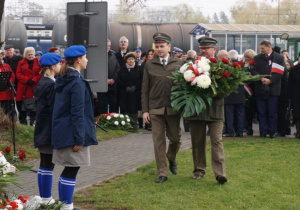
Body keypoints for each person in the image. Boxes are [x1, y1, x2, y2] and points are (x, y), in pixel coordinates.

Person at [52, 45, 98, 210]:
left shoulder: (65, 78)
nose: (87, 59)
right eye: (85, 57)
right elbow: (77, 112)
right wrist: (80, 138)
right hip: (72, 133)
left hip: (64, 131)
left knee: (69, 169)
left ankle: (65, 205)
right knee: (71, 170)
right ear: (78, 60)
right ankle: (66, 206)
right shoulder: (76, 82)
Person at [142, 32, 183, 183]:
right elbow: (145, 89)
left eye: (162, 46)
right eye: (157, 46)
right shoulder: (149, 64)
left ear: (168, 46)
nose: (159, 49)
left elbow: (183, 86)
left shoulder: (178, 63)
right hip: (155, 108)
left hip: (173, 108)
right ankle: (162, 172)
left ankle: (171, 157)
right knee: (158, 141)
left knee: (176, 139)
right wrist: (145, 110)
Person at [186, 36, 227, 184]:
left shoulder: (221, 66)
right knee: (197, 142)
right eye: (201, 48)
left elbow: (227, 88)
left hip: (215, 110)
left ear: (214, 50)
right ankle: (199, 170)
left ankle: (220, 173)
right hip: (197, 110)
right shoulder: (192, 66)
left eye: (206, 48)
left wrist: (217, 93)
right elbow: (185, 86)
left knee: (216, 141)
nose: (203, 51)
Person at [33, 53, 62, 205]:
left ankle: (45, 197)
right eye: (58, 64)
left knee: (44, 164)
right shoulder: (51, 84)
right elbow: (53, 109)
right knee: (48, 164)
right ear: (52, 67)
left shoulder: (42, 82)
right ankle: (46, 198)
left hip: (41, 127)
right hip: (49, 128)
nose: (60, 66)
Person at [250, 40, 285, 138]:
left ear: (269, 46)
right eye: (260, 48)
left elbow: (280, 72)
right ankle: (263, 132)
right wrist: (260, 78)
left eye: (262, 48)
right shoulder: (256, 58)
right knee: (262, 112)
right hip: (260, 89)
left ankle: (272, 132)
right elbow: (253, 70)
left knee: (272, 112)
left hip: (273, 90)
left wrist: (271, 80)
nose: (261, 50)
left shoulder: (279, 58)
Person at [16, 47, 42, 125]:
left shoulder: (39, 63)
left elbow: (41, 73)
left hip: (34, 87)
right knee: (21, 107)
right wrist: (27, 80)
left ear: (34, 54)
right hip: (23, 88)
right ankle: (22, 124)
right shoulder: (21, 63)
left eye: (32, 54)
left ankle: (32, 124)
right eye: (29, 54)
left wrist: (34, 80)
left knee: (34, 108)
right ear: (25, 55)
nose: (30, 56)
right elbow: (18, 74)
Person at [223, 50, 245, 137]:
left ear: (228, 58)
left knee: (229, 114)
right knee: (240, 114)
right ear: (237, 57)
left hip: (229, 94)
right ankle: (240, 132)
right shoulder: (242, 67)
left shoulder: (226, 67)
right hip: (240, 94)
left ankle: (230, 132)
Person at [118, 52, 143, 128]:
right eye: (129, 59)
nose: (131, 61)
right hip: (124, 93)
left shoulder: (139, 69)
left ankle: (134, 123)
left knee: (134, 109)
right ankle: (126, 124)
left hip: (135, 93)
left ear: (134, 60)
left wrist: (135, 87)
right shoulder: (122, 69)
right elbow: (119, 80)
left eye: (132, 59)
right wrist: (126, 87)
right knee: (125, 108)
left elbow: (141, 80)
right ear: (126, 60)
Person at [97, 39, 120, 115]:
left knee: (113, 103)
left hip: (112, 85)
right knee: (102, 104)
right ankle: (101, 120)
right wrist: (104, 80)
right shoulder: (98, 56)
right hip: (101, 85)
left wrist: (113, 79)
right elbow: (97, 69)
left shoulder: (113, 56)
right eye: (106, 46)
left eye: (109, 46)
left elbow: (117, 69)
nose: (108, 47)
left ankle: (113, 122)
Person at [243, 49, 257, 136]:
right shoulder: (243, 65)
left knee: (253, 110)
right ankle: (249, 127)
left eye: (248, 57)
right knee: (248, 111)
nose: (246, 58)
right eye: (245, 56)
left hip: (254, 89)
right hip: (246, 90)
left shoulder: (255, 65)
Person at [289, 56, 300, 138]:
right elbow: (290, 83)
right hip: (296, 95)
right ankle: (298, 132)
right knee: (297, 114)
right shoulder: (293, 69)